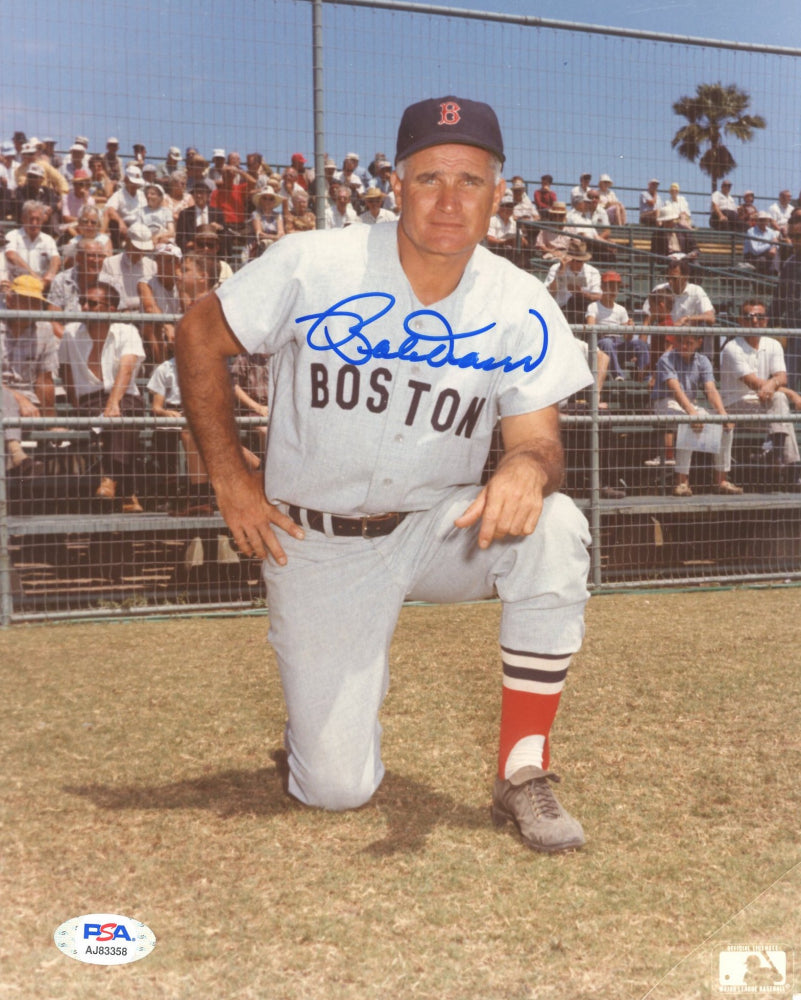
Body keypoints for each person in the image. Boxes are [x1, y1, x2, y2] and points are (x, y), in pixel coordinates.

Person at [175, 95, 593, 854]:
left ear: (498, 192)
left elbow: (537, 441)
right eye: (428, 176)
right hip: (317, 537)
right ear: (393, 185)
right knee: (336, 791)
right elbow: (199, 332)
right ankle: (314, 729)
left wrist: (525, 471)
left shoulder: (519, 301)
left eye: (470, 180)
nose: (447, 198)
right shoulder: (316, 261)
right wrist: (229, 477)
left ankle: (522, 771)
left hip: (438, 526)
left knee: (555, 524)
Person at [59, 282, 146, 512]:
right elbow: (66, 371)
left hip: (124, 395)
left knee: (122, 417)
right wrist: (77, 404)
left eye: (92, 303)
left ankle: (109, 478)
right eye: (83, 302)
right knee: (119, 421)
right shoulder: (70, 332)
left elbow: (127, 367)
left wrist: (113, 403)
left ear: (111, 308)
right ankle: (127, 491)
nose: (85, 307)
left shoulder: (127, 331)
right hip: (89, 400)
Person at [651, 332, 740, 496]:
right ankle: (682, 482)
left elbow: (711, 389)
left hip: (688, 404)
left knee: (726, 425)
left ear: (699, 343)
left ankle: (721, 480)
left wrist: (723, 414)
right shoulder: (666, 359)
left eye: (689, 342)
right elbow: (675, 389)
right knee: (689, 422)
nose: (684, 346)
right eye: (681, 341)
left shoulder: (703, 360)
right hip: (664, 402)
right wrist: (692, 413)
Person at [720, 300, 801, 470]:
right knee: (781, 404)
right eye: (749, 317)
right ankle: (789, 465)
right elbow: (754, 383)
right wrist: (791, 393)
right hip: (735, 404)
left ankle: (781, 458)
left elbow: (782, 376)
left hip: (764, 402)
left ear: (767, 319)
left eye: (760, 317)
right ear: (741, 320)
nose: (755, 321)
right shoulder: (732, 347)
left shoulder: (773, 344)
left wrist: (772, 384)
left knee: (780, 407)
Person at [1, 275, 58, 476]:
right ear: (9, 300)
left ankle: (14, 462)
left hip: (29, 405)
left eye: (35, 302)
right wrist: (17, 398)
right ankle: (16, 453)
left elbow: (45, 380)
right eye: (26, 300)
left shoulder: (44, 330)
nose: (31, 307)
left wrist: (51, 423)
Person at [587, 272, 649, 381]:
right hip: (602, 343)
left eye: (616, 287)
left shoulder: (621, 309)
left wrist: (629, 329)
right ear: (602, 287)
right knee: (607, 342)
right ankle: (618, 375)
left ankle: (645, 376)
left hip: (619, 343)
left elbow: (627, 338)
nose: (613, 290)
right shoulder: (593, 306)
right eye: (610, 286)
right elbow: (590, 327)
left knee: (640, 343)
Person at [770, 213, 801, 389]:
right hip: (795, 333)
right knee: (789, 383)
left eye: (799, 236)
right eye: (793, 237)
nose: (796, 241)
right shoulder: (789, 264)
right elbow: (778, 300)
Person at [4, 200, 61, 293]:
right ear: (23, 218)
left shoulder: (48, 239)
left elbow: (56, 260)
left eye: (38, 219)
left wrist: (48, 277)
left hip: (40, 289)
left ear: (43, 220)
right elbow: (11, 255)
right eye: (31, 219)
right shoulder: (12, 235)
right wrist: (34, 277)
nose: (34, 223)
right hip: (15, 288)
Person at [98, 222, 157, 310]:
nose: (141, 253)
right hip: (119, 316)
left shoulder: (152, 265)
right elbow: (106, 296)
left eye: (144, 249)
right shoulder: (109, 263)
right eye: (137, 248)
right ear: (127, 240)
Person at [544, 237, 602, 324]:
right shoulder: (555, 268)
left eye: (581, 261)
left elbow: (598, 296)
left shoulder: (593, 272)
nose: (579, 264)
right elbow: (549, 294)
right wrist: (560, 272)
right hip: (559, 310)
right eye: (575, 260)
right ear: (569, 259)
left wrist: (581, 293)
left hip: (584, 309)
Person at [104, 164, 147, 246]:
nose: (135, 185)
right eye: (132, 182)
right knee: (114, 223)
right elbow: (110, 209)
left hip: (140, 226)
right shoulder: (119, 194)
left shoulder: (142, 195)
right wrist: (120, 222)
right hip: (125, 227)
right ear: (126, 180)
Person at [249, 188, 285, 255]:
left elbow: (281, 233)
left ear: (274, 202)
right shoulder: (256, 214)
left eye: (271, 199)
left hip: (275, 246)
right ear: (260, 200)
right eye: (264, 198)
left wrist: (270, 237)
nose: (267, 201)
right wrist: (275, 237)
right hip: (258, 247)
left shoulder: (278, 215)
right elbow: (259, 234)